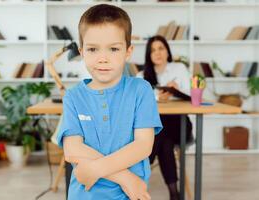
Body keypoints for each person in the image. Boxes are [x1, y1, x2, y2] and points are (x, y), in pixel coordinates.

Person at [56, 4, 163, 200]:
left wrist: (94, 169)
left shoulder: (141, 90)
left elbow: (143, 145)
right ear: (82, 52)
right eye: (93, 49)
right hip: (85, 194)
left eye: (113, 49)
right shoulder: (73, 97)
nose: (103, 58)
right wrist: (125, 178)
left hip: (129, 196)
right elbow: (72, 150)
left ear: (128, 51)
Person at [137, 35, 193, 200]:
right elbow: (136, 100)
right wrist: (157, 97)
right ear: (149, 54)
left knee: (159, 135)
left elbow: (191, 95)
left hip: (179, 125)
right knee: (164, 142)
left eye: (161, 48)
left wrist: (177, 89)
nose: (157, 53)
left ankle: (138, 184)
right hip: (156, 128)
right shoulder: (142, 75)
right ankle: (174, 194)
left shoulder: (179, 69)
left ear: (167, 51)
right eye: (153, 50)